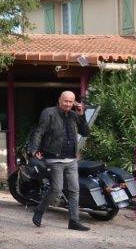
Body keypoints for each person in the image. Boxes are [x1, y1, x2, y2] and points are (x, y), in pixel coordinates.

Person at [27, 90, 91, 231]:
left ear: (74, 103)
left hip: (71, 159)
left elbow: (85, 132)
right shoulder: (49, 113)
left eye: (70, 102)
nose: (68, 104)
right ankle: (40, 210)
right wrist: (33, 149)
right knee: (56, 189)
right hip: (54, 158)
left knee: (74, 190)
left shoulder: (74, 115)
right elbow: (39, 131)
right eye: (65, 101)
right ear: (59, 100)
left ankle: (74, 221)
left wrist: (82, 115)